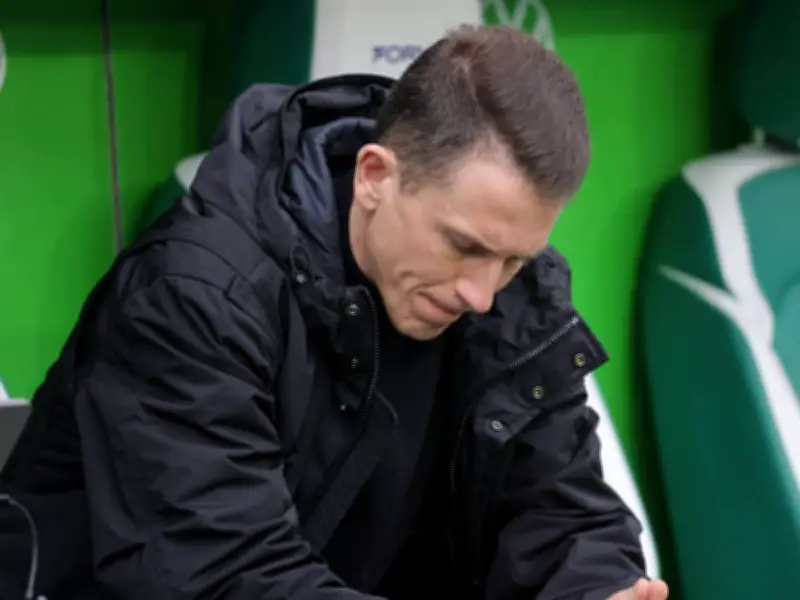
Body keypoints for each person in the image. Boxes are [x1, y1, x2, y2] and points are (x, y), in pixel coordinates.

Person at [0, 25, 669, 600]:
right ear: (375, 175)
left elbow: (561, 509)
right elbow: (224, 575)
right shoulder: (193, 299)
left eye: (514, 259)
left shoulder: (514, 298)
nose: (482, 293)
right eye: (463, 246)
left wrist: (599, 587)